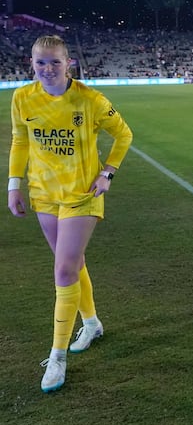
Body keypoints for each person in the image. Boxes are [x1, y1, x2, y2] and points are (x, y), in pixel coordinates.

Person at [7, 35, 133, 393]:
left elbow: (123, 135)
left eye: (55, 62)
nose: (47, 69)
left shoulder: (89, 100)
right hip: (44, 194)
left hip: (82, 195)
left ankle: (57, 355)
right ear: (31, 63)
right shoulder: (22, 98)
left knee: (63, 269)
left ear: (69, 64)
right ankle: (91, 323)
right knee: (73, 265)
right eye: (40, 62)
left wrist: (107, 173)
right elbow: (20, 141)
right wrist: (14, 185)